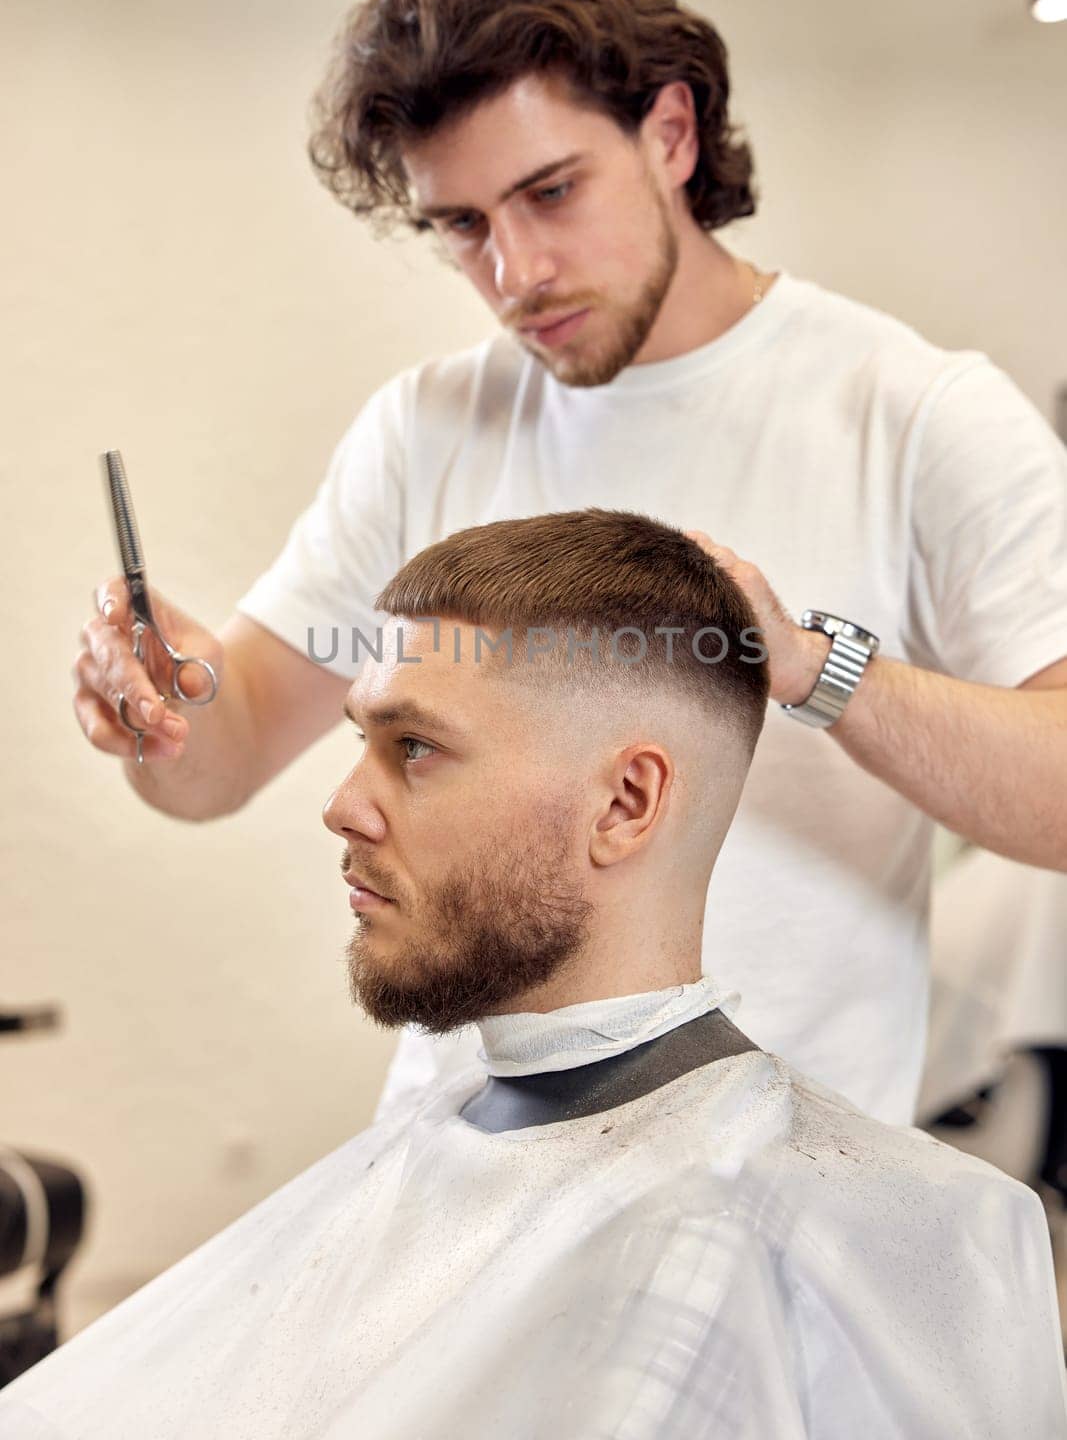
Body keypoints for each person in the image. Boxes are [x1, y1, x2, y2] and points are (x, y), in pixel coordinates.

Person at [72, 0, 1067, 1127]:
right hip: (467, 1168)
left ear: (668, 132)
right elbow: (223, 758)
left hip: (773, 1195)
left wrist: (811, 668)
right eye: (462, 226)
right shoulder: (426, 425)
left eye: (550, 192)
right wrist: (163, 705)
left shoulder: (913, 414)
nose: (513, 271)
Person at [22, 512, 1067, 1438]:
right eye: (361, 740)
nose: (341, 804)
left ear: (622, 804)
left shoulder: (878, 1239)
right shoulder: (437, 1145)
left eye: (414, 746)